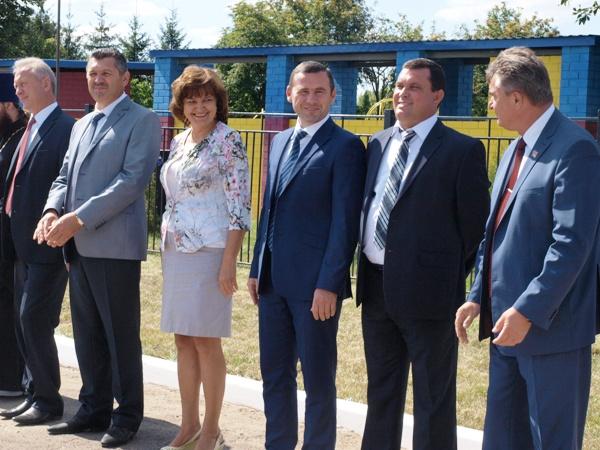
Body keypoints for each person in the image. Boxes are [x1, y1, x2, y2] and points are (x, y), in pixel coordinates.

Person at [455, 47, 600, 450]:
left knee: (551, 440)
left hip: (552, 332)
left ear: (517, 97)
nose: (489, 105)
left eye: (493, 95)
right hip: (506, 327)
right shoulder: (514, 149)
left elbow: (571, 245)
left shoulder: (575, 149)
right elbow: (496, 232)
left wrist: (528, 311)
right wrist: (477, 295)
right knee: (503, 438)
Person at [356, 58, 490, 450]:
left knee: (433, 401)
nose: (402, 93)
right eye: (399, 86)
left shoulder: (462, 150)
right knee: (381, 394)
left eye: (414, 87)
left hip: (430, 297)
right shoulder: (378, 144)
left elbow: (475, 230)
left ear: (437, 96)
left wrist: (440, 273)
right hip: (376, 290)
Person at [37, 48, 160, 448]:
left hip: (114, 246)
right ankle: (93, 408)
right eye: (93, 74)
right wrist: (52, 210)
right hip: (78, 247)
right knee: (88, 333)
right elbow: (64, 175)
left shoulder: (142, 119)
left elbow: (130, 181)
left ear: (125, 78)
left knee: (119, 335)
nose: (98, 80)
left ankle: (127, 416)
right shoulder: (82, 123)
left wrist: (77, 219)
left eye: (106, 73)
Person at [248, 61, 365, 450]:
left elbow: (344, 224)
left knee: (317, 381)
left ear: (333, 95)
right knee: (274, 376)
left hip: (316, 289)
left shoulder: (346, 147)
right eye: (303, 91)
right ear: (289, 94)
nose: (311, 99)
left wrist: (329, 284)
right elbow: (269, 208)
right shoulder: (280, 140)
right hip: (273, 283)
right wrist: (257, 268)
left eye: (319, 92)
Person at [159, 66, 250, 450]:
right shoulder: (180, 142)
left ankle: (211, 430)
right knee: (183, 338)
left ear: (218, 103)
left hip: (211, 251)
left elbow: (239, 207)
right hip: (176, 250)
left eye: (207, 100)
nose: (200, 107)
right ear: (181, 106)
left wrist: (228, 262)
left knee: (206, 340)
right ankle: (189, 425)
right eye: (192, 101)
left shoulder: (229, 140)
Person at [0, 58, 74, 425]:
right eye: (15, 85)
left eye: (23, 83)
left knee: (34, 320)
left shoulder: (67, 129)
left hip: (48, 243)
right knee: (21, 320)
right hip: (18, 244)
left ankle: (47, 400)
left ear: (46, 83)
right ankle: (34, 394)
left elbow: (68, 183)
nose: (17, 90)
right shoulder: (29, 127)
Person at [0, 73, 26, 399]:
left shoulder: (21, 136)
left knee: (9, 306)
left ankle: (11, 378)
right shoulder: (7, 135)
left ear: (8, 104)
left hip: (12, 238)